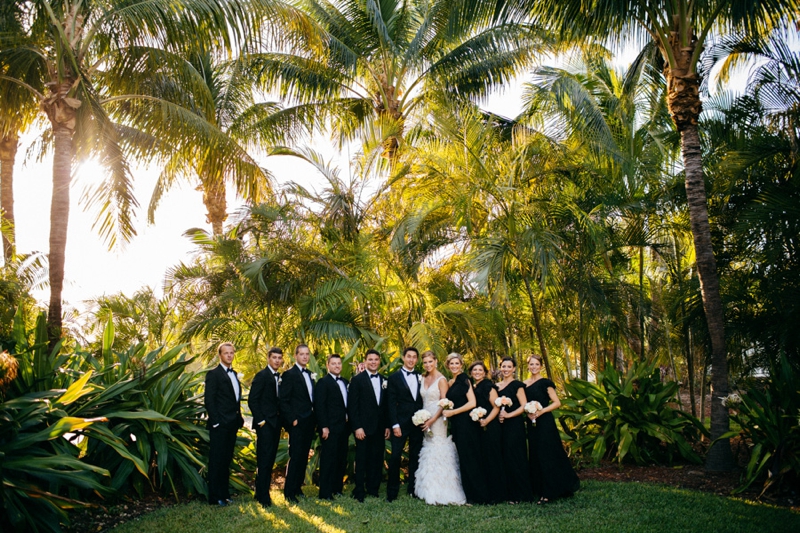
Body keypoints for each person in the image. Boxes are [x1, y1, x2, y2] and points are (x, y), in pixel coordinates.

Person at [524, 354, 580, 504]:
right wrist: (528, 412)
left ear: (540, 366)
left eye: (536, 364)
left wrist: (541, 411)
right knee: (535, 454)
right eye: (531, 364)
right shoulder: (524, 384)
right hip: (531, 422)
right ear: (528, 366)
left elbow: (557, 403)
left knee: (546, 454)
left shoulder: (546, 383)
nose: (534, 367)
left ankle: (549, 491)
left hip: (545, 422)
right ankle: (538, 487)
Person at [414, 351, 466, 505]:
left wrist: (432, 420)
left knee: (438, 447)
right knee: (429, 447)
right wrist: (422, 418)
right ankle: (428, 487)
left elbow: (444, 404)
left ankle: (444, 488)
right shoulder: (422, 378)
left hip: (437, 419)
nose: (428, 365)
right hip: (424, 417)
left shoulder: (442, 380)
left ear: (436, 361)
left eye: (431, 361)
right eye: (425, 362)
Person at [443, 353, 487, 504]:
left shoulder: (464, 380)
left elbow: (472, 403)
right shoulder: (450, 382)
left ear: (461, 365)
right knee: (464, 459)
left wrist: (452, 412)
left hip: (466, 424)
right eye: (451, 364)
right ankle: (470, 495)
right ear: (447, 365)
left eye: (457, 363)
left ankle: (479, 496)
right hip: (457, 425)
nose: (454, 366)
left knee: (471, 459)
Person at [204, 342, 245, 506]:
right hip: (220, 425)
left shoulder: (234, 374)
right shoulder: (213, 374)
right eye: (226, 353)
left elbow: (235, 399)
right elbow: (209, 400)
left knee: (226, 460)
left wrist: (239, 417)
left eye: (231, 353)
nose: (229, 355)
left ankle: (225, 494)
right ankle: (215, 497)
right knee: (216, 461)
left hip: (232, 424)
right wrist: (215, 422)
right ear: (220, 355)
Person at [348, 349, 389, 502]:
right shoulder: (357, 380)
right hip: (363, 428)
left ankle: (373, 489)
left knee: (377, 459)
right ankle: (359, 490)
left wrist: (387, 426)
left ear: (379, 361)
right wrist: (357, 427)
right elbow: (353, 406)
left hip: (379, 428)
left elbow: (385, 407)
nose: (373, 362)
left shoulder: (385, 380)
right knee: (361, 459)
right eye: (370, 359)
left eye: (376, 359)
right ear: (365, 361)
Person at [279, 344, 316, 503]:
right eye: (302, 354)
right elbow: (283, 400)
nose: (305, 357)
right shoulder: (289, 374)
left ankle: (298, 488)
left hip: (309, 423)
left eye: (307, 354)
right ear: (296, 356)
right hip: (297, 423)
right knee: (295, 456)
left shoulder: (310, 374)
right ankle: (289, 491)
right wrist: (292, 420)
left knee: (303, 457)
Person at [248, 346, 284, 508]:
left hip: (275, 425)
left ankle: (261, 492)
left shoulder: (279, 377)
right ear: (268, 358)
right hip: (265, 425)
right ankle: (263, 495)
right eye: (274, 357)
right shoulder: (262, 376)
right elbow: (252, 400)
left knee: (269, 460)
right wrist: (261, 421)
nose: (277, 360)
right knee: (263, 460)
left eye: (279, 358)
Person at [386, 347, 424, 502]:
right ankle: (392, 492)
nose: (411, 359)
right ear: (403, 357)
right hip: (400, 424)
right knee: (395, 457)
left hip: (418, 423)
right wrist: (394, 424)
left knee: (415, 456)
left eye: (414, 357)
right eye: (409, 356)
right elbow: (390, 403)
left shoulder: (421, 377)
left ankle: (412, 489)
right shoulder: (394, 378)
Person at [496, 357, 534, 503]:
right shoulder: (496, 386)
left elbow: (524, 405)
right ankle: (508, 493)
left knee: (516, 457)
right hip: (501, 426)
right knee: (504, 457)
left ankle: (521, 494)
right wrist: (500, 416)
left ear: (514, 369)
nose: (506, 369)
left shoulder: (517, 385)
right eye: (503, 366)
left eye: (509, 366)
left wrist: (508, 415)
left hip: (514, 425)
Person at [314, 354, 350, 500]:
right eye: (333, 363)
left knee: (341, 459)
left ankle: (337, 488)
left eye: (339, 363)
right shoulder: (323, 382)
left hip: (344, 428)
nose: (337, 366)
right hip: (330, 428)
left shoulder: (346, 382)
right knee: (328, 460)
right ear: (328, 365)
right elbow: (320, 406)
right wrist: (324, 426)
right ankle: (325, 492)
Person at [469, 361, 505, 503]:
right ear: (471, 373)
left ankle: (498, 494)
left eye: (480, 370)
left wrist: (487, 421)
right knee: (484, 459)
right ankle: (487, 492)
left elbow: (496, 406)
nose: (477, 372)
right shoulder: (473, 387)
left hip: (490, 426)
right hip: (479, 427)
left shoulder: (489, 386)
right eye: (474, 370)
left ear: (484, 372)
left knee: (493, 459)